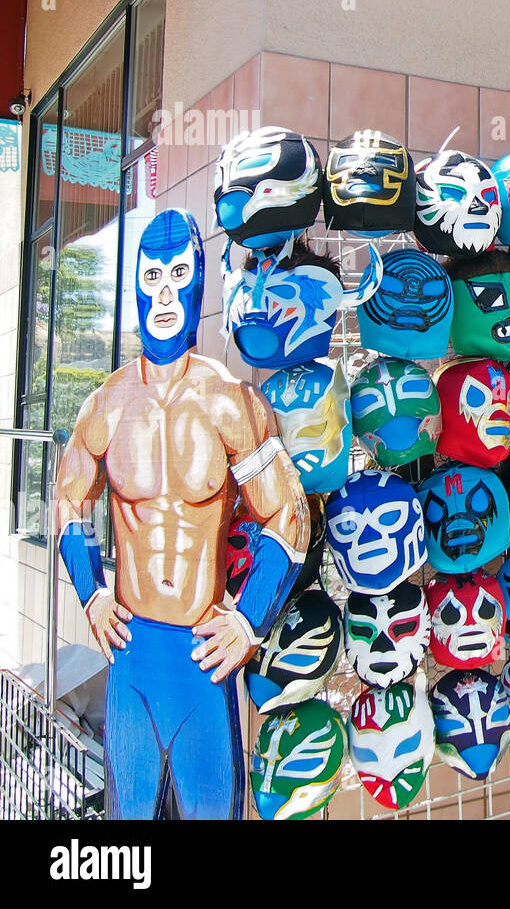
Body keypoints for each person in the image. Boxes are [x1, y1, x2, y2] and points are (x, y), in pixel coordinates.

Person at [53, 209, 310, 819]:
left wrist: (249, 621)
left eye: (178, 274)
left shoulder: (230, 402)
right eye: (151, 277)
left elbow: (289, 514)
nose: (164, 294)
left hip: (202, 657)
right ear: (136, 286)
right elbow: (68, 498)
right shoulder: (107, 404)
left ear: (199, 284)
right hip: (132, 655)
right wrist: (91, 593)